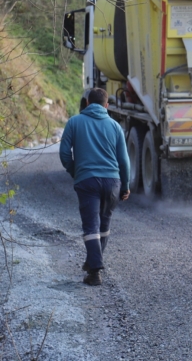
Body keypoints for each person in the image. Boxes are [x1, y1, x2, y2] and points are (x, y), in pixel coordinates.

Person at [59, 88, 130, 286]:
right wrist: (125, 185)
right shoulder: (115, 126)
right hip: (112, 181)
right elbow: (124, 161)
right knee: (104, 225)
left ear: (88, 103)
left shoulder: (74, 122)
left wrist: (76, 171)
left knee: (91, 226)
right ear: (106, 106)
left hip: (87, 181)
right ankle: (93, 263)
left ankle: (95, 270)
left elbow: (64, 153)